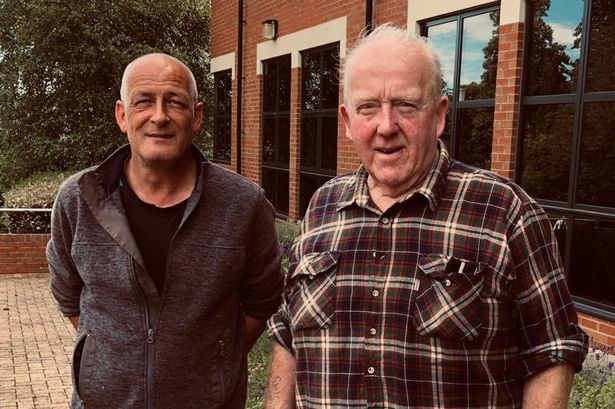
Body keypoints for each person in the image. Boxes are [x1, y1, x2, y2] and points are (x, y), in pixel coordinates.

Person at [265, 25, 588, 409]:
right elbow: (288, 333)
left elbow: (553, 350)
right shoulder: (322, 207)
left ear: (438, 115)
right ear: (348, 121)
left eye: (406, 105)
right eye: (368, 107)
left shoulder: (506, 212)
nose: (386, 126)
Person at [47, 53, 283, 408]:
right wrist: (108, 355)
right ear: (122, 115)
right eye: (143, 101)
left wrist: (213, 365)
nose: (159, 116)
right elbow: (68, 294)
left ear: (196, 116)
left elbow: (262, 301)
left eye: (175, 102)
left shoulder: (243, 205)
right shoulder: (78, 200)